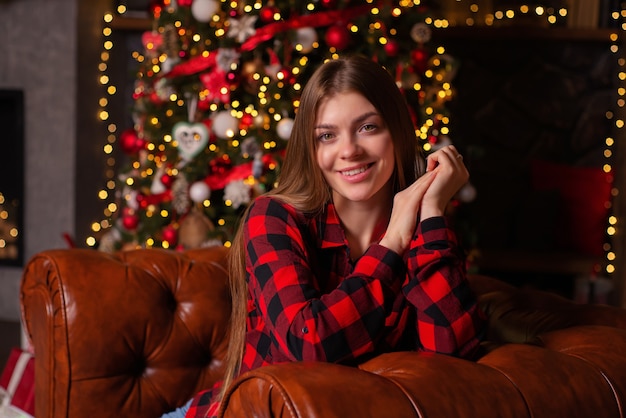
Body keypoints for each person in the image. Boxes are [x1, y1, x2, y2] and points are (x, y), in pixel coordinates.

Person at [173, 55, 485, 418]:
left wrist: (431, 210)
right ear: (312, 147)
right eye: (327, 135)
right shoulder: (274, 218)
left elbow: (454, 354)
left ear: (398, 132)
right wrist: (392, 245)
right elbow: (307, 344)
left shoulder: (427, 233)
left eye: (368, 127)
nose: (349, 150)